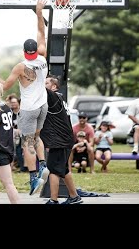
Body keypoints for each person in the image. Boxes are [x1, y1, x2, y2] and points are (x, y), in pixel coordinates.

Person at [0, 0, 49, 195]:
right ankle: (43, 165)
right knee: (37, 137)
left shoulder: (20, 67)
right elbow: (42, 32)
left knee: (26, 143)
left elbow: (4, 88)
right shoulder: (43, 55)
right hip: (43, 106)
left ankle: (34, 176)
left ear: (24, 51)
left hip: (29, 109)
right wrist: (39, 12)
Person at [40, 75, 83, 204]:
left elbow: (38, 89)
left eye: (46, 83)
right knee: (63, 170)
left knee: (53, 170)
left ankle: (53, 200)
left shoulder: (53, 96)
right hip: (63, 139)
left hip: (60, 141)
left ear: (54, 87)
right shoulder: (59, 98)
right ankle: (74, 197)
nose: (44, 85)